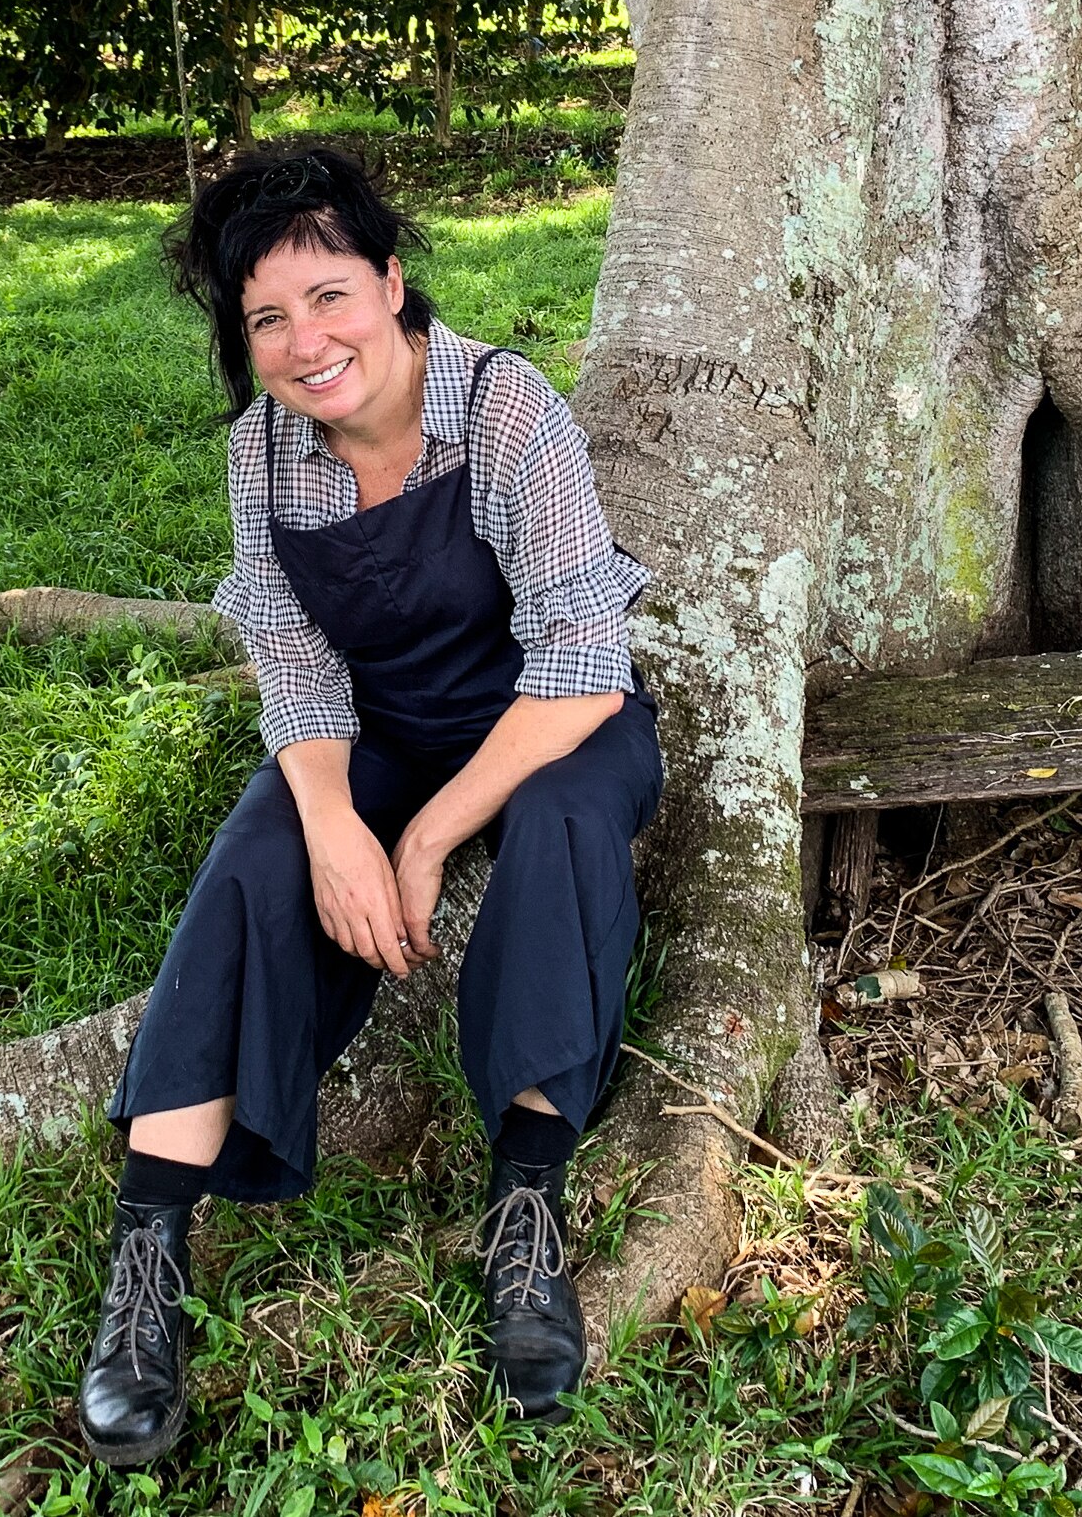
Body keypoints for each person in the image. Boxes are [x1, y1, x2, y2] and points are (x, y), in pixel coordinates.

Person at [77, 146, 663, 1467]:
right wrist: (341, 826)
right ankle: (147, 1263)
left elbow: (582, 658)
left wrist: (431, 833)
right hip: (382, 729)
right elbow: (291, 657)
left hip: (554, 722)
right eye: (266, 318)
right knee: (255, 856)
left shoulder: (508, 409)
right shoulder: (263, 454)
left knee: (565, 829)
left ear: (394, 284)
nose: (303, 341)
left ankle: (525, 1211)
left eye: (328, 295)